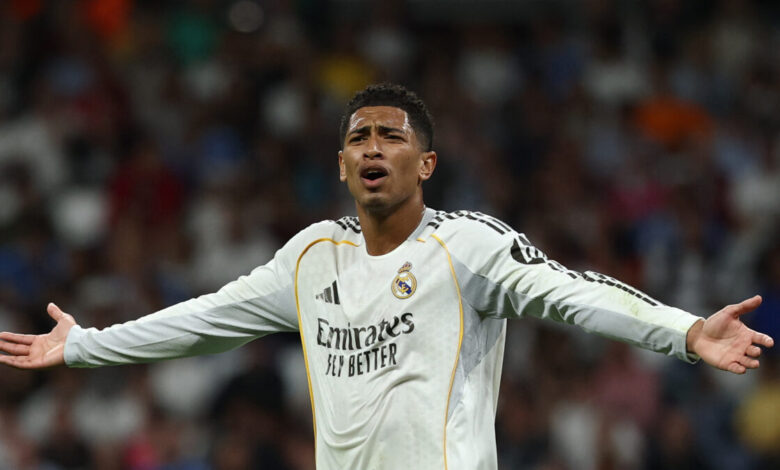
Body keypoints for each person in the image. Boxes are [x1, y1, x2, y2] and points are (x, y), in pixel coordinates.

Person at [0, 83, 774, 470]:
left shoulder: (467, 245)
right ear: (341, 165)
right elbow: (205, 319)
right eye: (358, 137)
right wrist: (84, 346)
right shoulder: (311, 257)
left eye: (391, 137)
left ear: (425, 163)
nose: (373, 146)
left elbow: (574, 293)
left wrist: (685, 332)